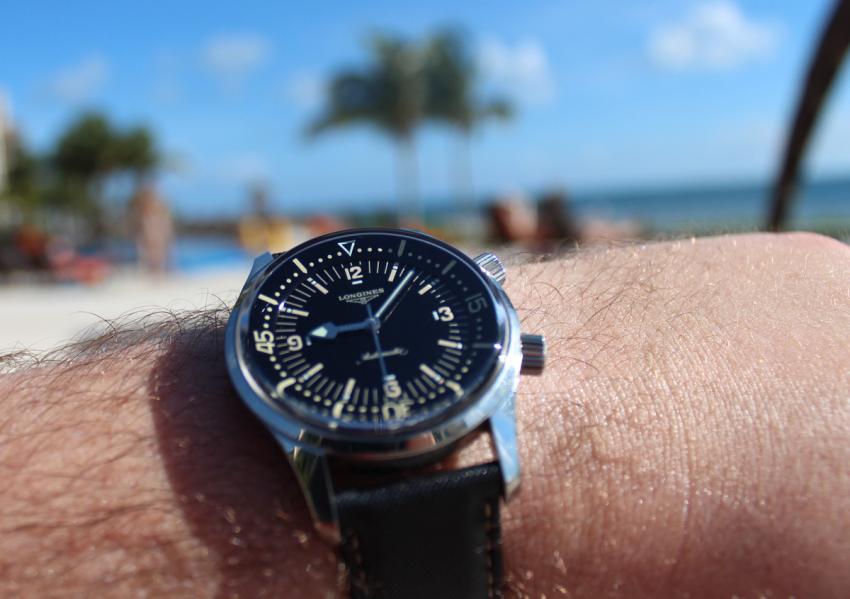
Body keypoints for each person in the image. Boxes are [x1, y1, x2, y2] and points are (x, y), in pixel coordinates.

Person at [0, 232, 848, 598]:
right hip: (317, 447)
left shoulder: (488, 364)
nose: (372, 322)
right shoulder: (283, 359)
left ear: (516, 347)